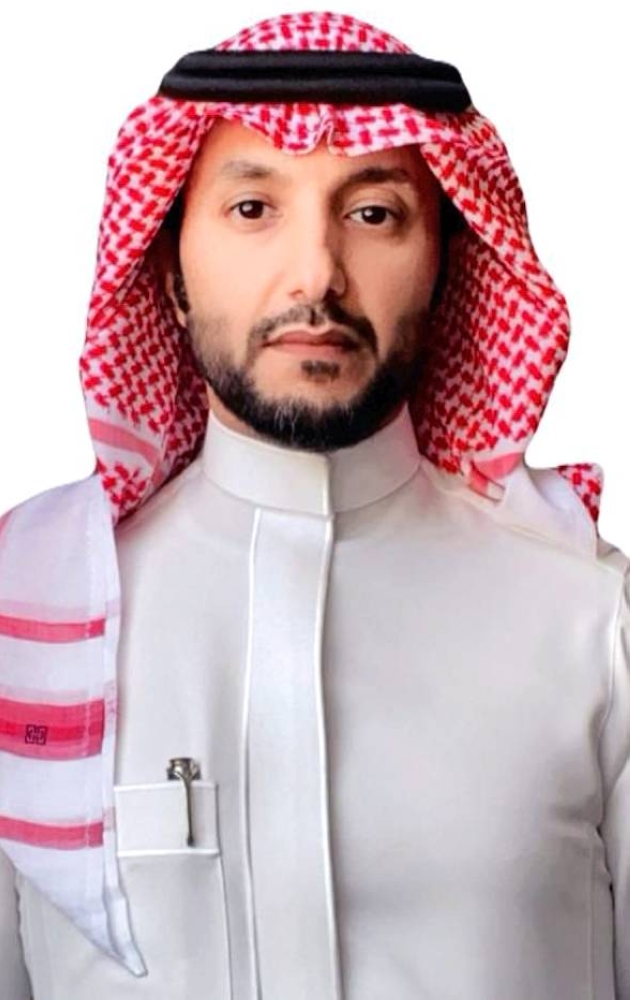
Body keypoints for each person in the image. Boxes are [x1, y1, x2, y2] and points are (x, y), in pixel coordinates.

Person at [0, 9, 628, 999]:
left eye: (373, 214)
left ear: (447, 267)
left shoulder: (591, 619)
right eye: (253, 209)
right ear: (168, 273)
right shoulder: (30, 615)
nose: (317, 275)